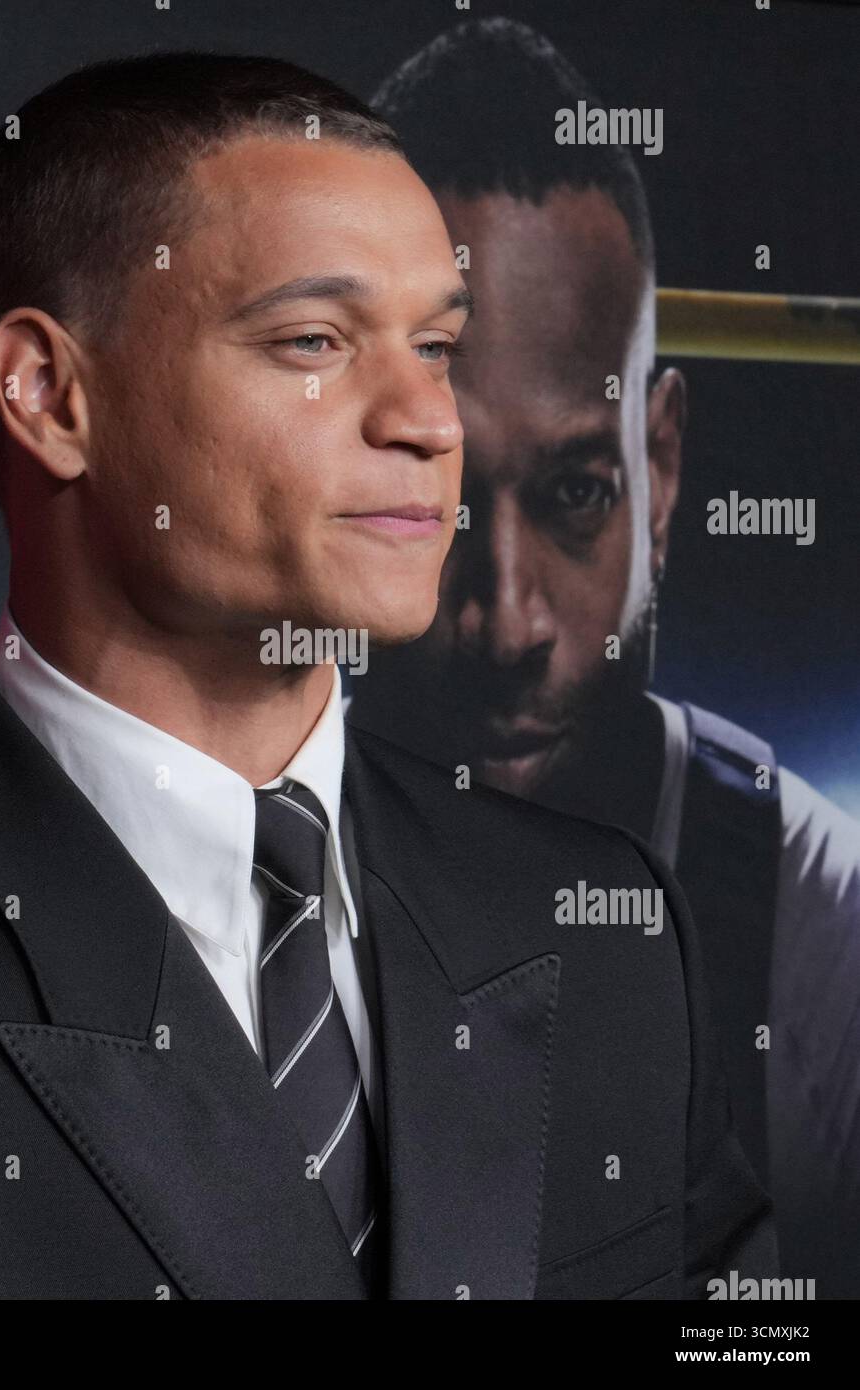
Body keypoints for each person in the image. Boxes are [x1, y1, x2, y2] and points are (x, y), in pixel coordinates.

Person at [0, 51, 771, 1300]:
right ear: (50, 394)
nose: (430, 420)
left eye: (436, 346)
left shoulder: (606, 925)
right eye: (315, 338)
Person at [349, 17, 860, 1296]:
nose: (508, 618)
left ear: (662, 466)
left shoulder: (818, 939)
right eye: (437, 492)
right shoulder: (202, 896)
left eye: (575, 493)